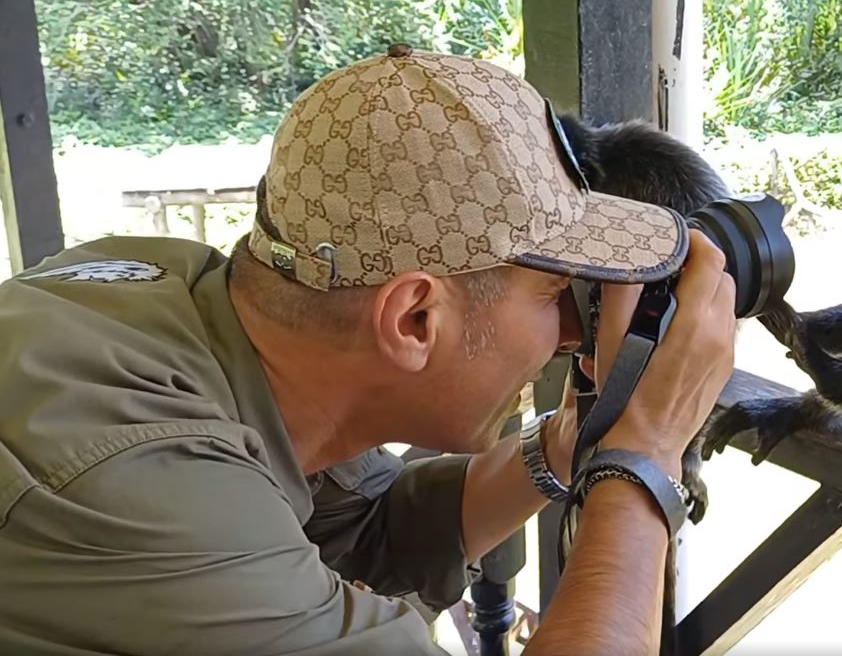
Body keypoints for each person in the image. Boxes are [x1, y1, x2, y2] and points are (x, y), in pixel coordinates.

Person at [0, 45, 737, 655]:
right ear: (413, 320)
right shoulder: (143, 483)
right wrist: (643, 460)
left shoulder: (187, 305)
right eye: (552, 298)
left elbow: (367, 533)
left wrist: (577, 438)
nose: (572, 335)